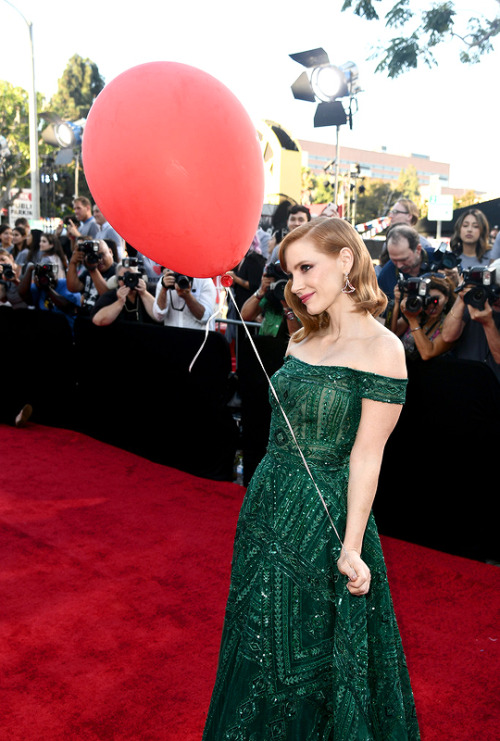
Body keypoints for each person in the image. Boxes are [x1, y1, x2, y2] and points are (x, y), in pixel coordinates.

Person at [203, 218, 419, 739]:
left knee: (314, 656)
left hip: (326, 522)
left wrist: (351, 546)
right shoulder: (301, 335)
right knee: (256, 640)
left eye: (306, 268)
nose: (296, 284)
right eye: (289, 272)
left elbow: (367, 457)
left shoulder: (384, 350)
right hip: (266, 508)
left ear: (345, 261)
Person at [441, 258, 500, 384]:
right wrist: (463, 296)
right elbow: (447, 336)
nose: (496, 296)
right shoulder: (477, 299)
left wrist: (488, 324)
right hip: (466, 385)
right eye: (494, 288)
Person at [390, 272, 455, 361]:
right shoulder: (416, 314)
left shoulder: (450, 323)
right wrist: (397, 302)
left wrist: (412, 320)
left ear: (447, 298)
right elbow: (391, 335)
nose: (431, 305)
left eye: (435, 300)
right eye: (426, 300)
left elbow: (427, 354)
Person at [377, 224, 435, 300]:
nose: (399, 266)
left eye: (404, 259)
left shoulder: (439, 259)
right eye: (394, 260)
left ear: (418, 249)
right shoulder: (386, 275)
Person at [91, 263, 158, 326]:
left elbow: (160, 316)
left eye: (132, 276)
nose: (129, 280)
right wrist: (119, 302)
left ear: (139, 277)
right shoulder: (111, 296)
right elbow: (98, 320)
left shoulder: (151, 290)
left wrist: (144, 294)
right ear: (118, 281)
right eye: (124, 278)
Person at [152, 269, 217, 329]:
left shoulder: (204, 280)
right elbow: (158, 316)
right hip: (173, 337)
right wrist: (164, 289)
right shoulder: (166, 280)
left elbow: (206, 318)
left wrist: (187, 296)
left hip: (198, 338)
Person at [66, 239, 117, 315]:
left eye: (101, 254)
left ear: (110, 252)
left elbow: (107, 297)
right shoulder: (89, 271)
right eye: (94, 256)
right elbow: (73, 288)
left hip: (102, 320)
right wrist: (73, 262)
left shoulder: (118, 271)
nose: (99, 260)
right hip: (84, 318)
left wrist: (92, 269)